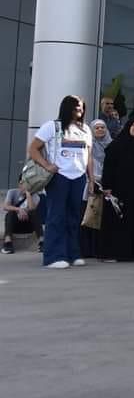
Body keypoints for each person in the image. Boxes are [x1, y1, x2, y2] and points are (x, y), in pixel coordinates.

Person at [29, 95, 93, 269]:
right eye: (76, 106)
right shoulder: (51, 126)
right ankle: (53, 256)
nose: (79, 110)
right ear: (67, 107)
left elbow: (89, 156)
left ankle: (73, 254)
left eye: (81, 107)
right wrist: (47, 165)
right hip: (59, 177)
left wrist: (91, 179)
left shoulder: (86, 129)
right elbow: (33, 149)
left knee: (74, 217)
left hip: (79, 177)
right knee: (56, 216)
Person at [99, 118, 134, 262]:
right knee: (117, 220)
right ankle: (114, 252)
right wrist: (107, 186)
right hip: (119, 190)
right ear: (128, 126)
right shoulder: (117, 145)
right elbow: (108, 167)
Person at [80, 118, 112, 258]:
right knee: (89, 216)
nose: (100, 130)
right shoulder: (87, 145)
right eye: (97, 128)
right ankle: (86, 250)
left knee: (102, 218)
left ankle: (100, 249)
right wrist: (93, 180)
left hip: (106, 185)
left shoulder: (111, 145)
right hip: (90, 184)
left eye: (102, 127)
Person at [2, 182, 41, 255]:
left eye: (28, 184)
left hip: (29, 226)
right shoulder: (12, 192)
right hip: (14, 226)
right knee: (10, 213)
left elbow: (31, 208)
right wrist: (19, 209)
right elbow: (5, 206)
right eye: (23, 184)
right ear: (19, 184)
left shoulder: (36, 196)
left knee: (34, 213)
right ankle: (7, 242)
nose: (26, 186)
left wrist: (28, 194)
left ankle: (41, 241)